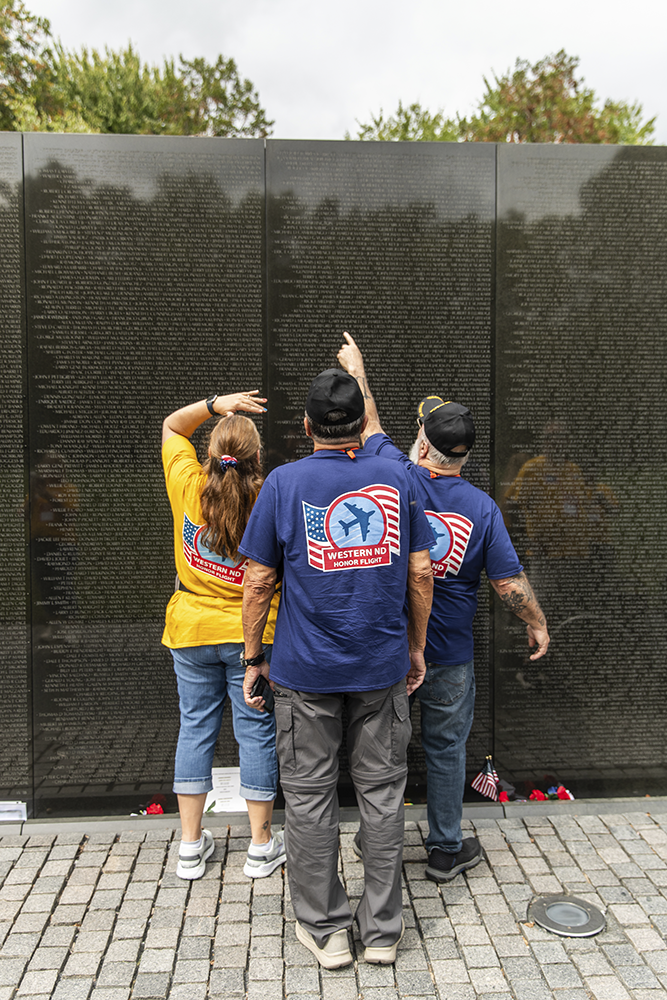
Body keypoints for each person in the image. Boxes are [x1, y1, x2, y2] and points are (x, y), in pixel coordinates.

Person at [337, 333, 550, 883]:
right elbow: (508, 585)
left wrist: (358, 372)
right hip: (450, 653)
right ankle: (444, 851)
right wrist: (537, 623)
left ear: (424, 447)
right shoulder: (481, 508)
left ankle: (373, 843)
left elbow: (369, 425)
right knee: (447, 749)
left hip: (393, 648)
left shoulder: (398, 475)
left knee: (381, 752)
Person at [239, 369, 434, 968]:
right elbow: (422, 573)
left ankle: (325, 931)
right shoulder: (399, 476)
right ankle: (381, 932)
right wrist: (416, 648)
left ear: (306, 427)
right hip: (380, 669)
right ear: (360, 426)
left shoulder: (284, 483)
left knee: (309, 798)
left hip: (305, 673)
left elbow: (258, 580)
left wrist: (252, 658)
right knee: (381, 796)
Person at [161, 390, 285, 881]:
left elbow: (173, 427)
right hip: (252, 636)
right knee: (255, 731)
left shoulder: (187, 483)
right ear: (257, 459)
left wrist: (215, 405)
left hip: (190, 629)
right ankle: (259, 846)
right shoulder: (269, 497)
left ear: (210, 455)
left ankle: (190, 847)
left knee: (195, 727)